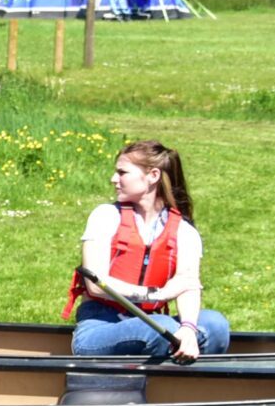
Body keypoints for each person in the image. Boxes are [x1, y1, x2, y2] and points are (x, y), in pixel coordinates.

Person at [67, 140, 230, 362]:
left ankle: (185, 378)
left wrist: (189, 329)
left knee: (216, 325)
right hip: (100, 325)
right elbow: (95, 286)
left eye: (122, 172)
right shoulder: (105, 216)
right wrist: (155, 294)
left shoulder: (184, 231)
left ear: (153, 176)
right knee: (161, 328)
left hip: (152, 322)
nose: (113, 179)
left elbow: (188, 285)